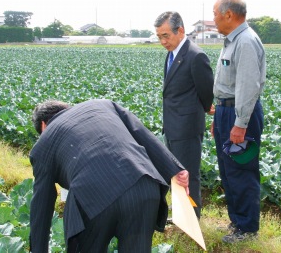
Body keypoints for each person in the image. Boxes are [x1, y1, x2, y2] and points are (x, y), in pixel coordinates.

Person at [29, 99, 189, 253]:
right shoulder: (104, 105)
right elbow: (140, 132)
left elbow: (42, 207)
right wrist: (174, 169)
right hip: (142, 185)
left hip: (92, 199)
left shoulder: (43, 144)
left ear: (43, 125)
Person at [211, 0, 266, 243]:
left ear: (229, 15)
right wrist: (219, 116)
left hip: (240, 113)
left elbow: (247, 87)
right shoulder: (232, 40)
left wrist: (240, 124)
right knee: (228, 170)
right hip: (226, 112)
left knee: (241, 170)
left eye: (215, 14)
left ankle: (247, 229)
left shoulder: (245, 41)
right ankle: (237, 222)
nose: (213, 20)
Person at [154, 11, 214, 218]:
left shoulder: (196, 56)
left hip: (187, 127)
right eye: (159, 37)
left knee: (189, 174)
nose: (162, 41)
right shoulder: (171, 54)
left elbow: (207, 92)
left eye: (166, 36)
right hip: (172, 126)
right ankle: (181, 211)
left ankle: (192, 216)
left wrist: (206, 108)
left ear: (180, 31)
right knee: (175, 173)